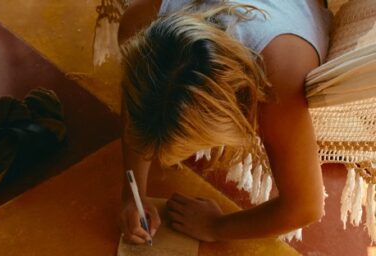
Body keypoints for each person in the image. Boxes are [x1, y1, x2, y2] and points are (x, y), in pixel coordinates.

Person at [118, 0, 331, 244]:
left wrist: (216, 227)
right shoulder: (139, 23)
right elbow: (137, 100)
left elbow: (305, 206)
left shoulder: (278, 78)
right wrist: (131, 194)